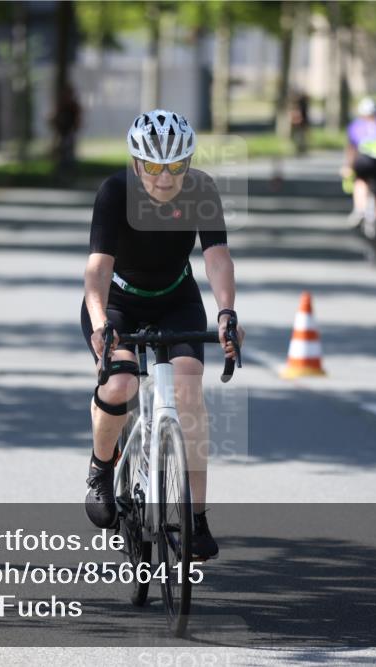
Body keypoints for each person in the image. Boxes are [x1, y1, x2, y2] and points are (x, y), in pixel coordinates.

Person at [81, 109, 245, 561]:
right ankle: (100, 469)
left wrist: (226, 312)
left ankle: (196, 518)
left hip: (176, 298)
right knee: (121, 383)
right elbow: (98, 269)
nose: (165, 177)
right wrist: (100, 323)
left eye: (176, 166)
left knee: (189, 390)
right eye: (154, 166)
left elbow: (217, 257)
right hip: (118, 302)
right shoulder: (115, 192)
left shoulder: (201, 190)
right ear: (137, 163)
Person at [341, 97, 376, 246]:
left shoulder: (355, 126)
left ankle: (360, 209)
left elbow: (351, 150)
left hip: (363, 163)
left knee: (360, 182)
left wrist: (348, 167)